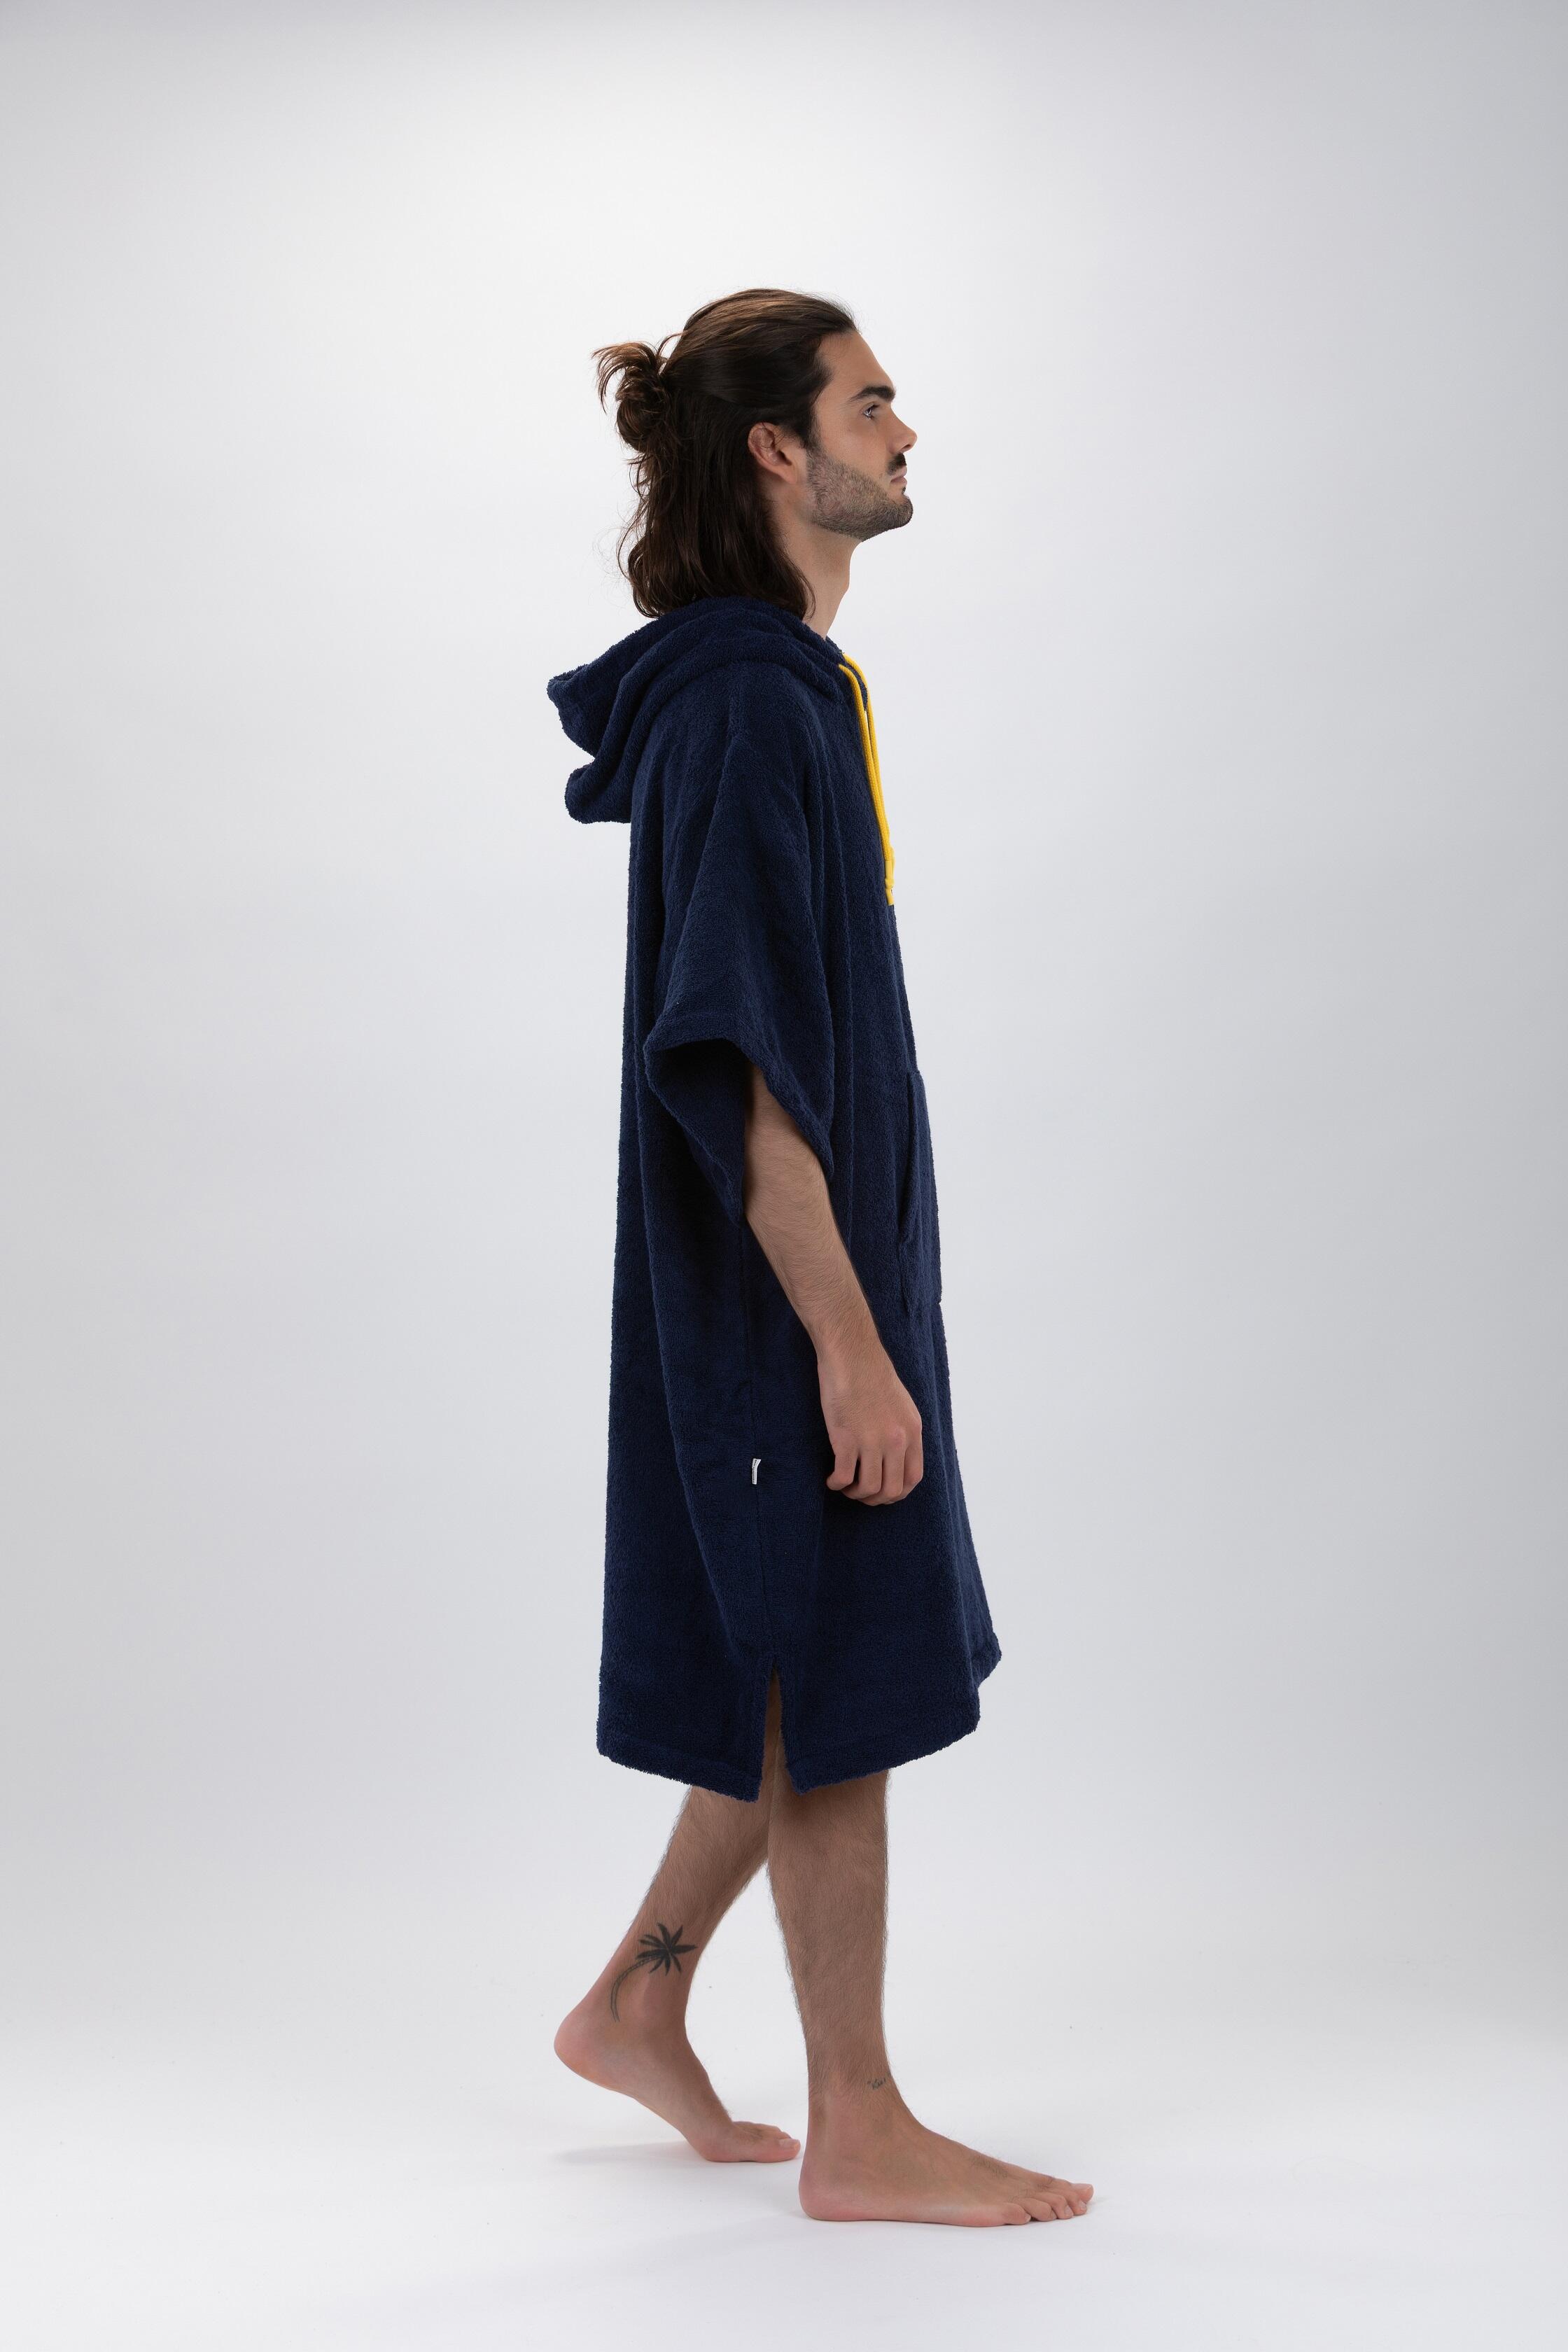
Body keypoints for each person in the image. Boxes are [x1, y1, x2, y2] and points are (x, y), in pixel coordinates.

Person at [548, 288, 1093, 2227]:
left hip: (802, 1286)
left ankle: (639, 2001)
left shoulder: (780, 687)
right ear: (780, 450)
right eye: (874, 405)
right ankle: (859, 2123)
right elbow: (737, 1061)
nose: (906, 432)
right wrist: (853, 1348)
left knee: (784, 1663)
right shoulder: (745, 705)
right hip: (784, 1302)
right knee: (834, 1671)